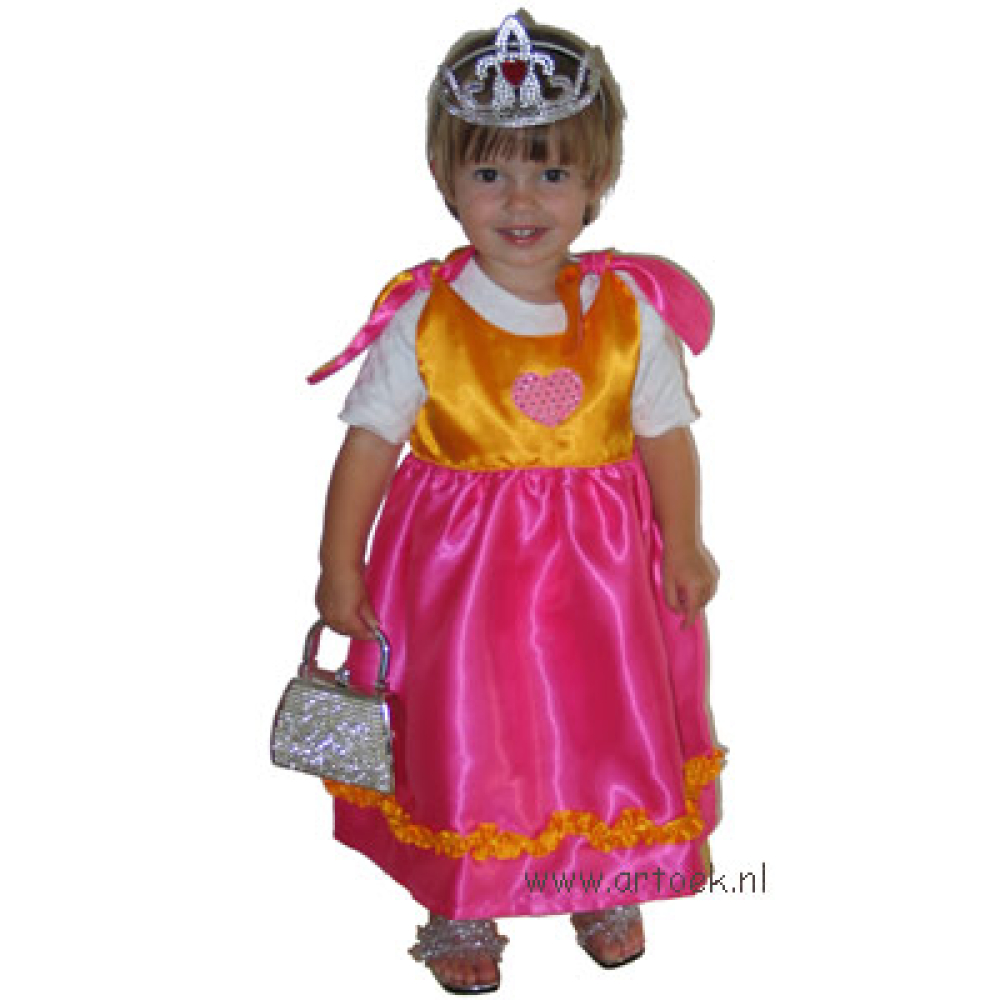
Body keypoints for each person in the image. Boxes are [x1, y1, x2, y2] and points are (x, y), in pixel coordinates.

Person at [308, 10, 724, 993]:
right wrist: (338, 563)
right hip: (462, 592)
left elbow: (664, 435)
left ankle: (601, 871)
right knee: (467, 735)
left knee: (600, 727)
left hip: (598, 588)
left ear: (596, 181)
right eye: (490, 173)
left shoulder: (627, 313)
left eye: (553, 172)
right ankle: (462, 897)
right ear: (446, 179)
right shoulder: (426, 315)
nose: (522, 199)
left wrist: (684, 541)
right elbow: (368, 445)